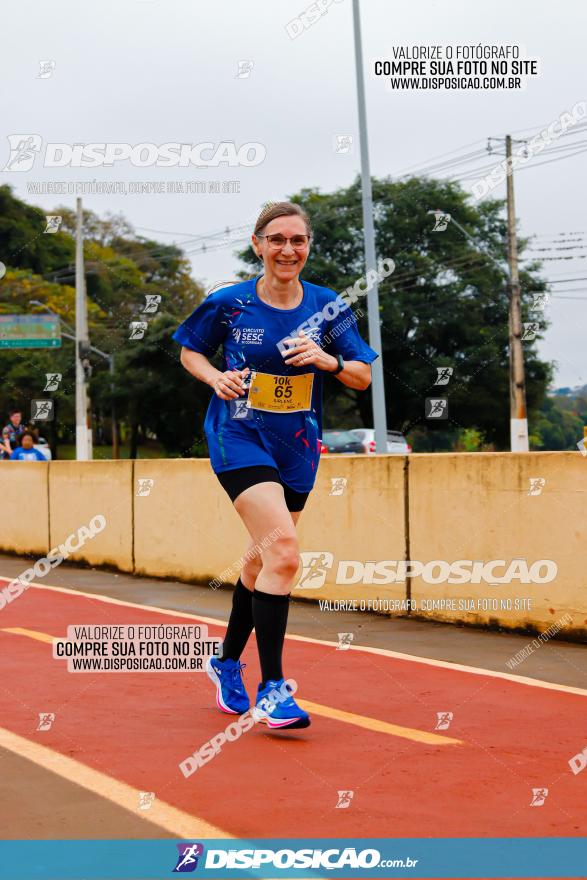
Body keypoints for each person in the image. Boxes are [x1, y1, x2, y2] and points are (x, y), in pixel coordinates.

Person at [173, 201, 377, 730]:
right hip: (237, 434)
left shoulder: (329, 306)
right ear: (257, 244)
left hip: (297, 447)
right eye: (278, 240)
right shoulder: (228, 303)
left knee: (263, 560)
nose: (289, 250)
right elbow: (189, 351)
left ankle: (223, 663)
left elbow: (362, 376)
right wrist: (214, 376)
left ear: (308, 248)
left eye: (298, 241)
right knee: (284, 552)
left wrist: (327, 360)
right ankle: (272, 689)